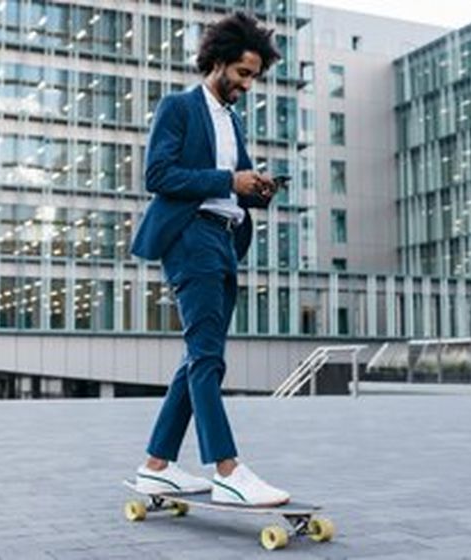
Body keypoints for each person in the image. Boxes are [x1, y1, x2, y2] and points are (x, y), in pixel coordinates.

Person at [130, 12, 289, 506]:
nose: (248, 84)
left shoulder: (232, 120)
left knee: (199, 355)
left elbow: (236, 185)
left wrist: (256, 188)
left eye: (254, 77)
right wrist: (228, 181)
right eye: (243, 73)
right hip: (190, 237)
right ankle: (227, 469)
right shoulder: (179, 107)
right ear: (218, 62)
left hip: (225, 238)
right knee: (207, 357)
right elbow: (158, 175)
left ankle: (156, 465)